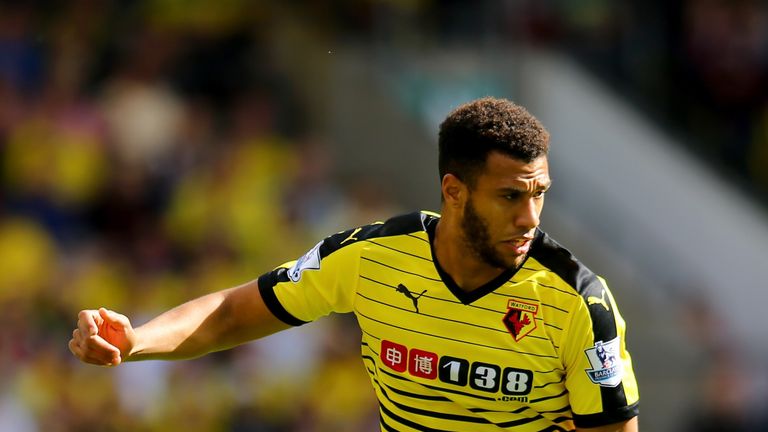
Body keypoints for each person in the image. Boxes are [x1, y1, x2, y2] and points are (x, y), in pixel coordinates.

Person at [69, 97, 640, 431]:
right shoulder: (371, 257)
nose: (530, 216)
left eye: (539, 193)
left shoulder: (579, 305)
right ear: (454, 190)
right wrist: (136, 340)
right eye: (511, 196)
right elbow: (229, 314)